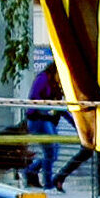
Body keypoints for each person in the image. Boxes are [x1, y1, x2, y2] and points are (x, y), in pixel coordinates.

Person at [23, 61, 67, 189]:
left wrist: (76, 125)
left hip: (46, 119)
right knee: (51, 151)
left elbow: (60, 109)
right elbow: (34, 97)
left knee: (52, 153)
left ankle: (31, 170)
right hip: (37, 119)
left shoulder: (56, 86)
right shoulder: (42, 78)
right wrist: (47, 108)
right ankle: (47, 184)